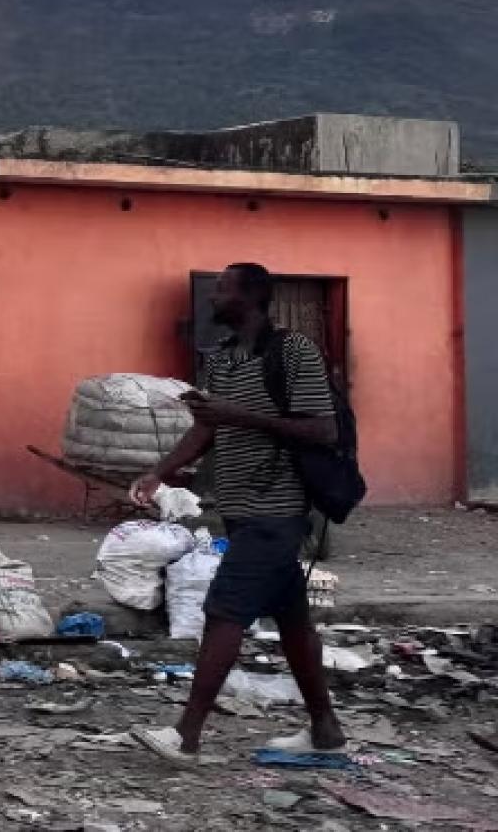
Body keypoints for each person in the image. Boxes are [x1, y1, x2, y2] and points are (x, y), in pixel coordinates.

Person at [130, 262, 345, 765]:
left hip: (280, 508)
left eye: (221, 291)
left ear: (249, 297)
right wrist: (159, 471)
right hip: (242, 510)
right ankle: (326, 730)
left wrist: (234, 415)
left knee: (225, 609)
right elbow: (206, 430)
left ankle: (186, 735)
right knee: (293, 622)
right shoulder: (222, 359)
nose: (211, 299)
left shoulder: (293, 351)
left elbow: (322, 430)